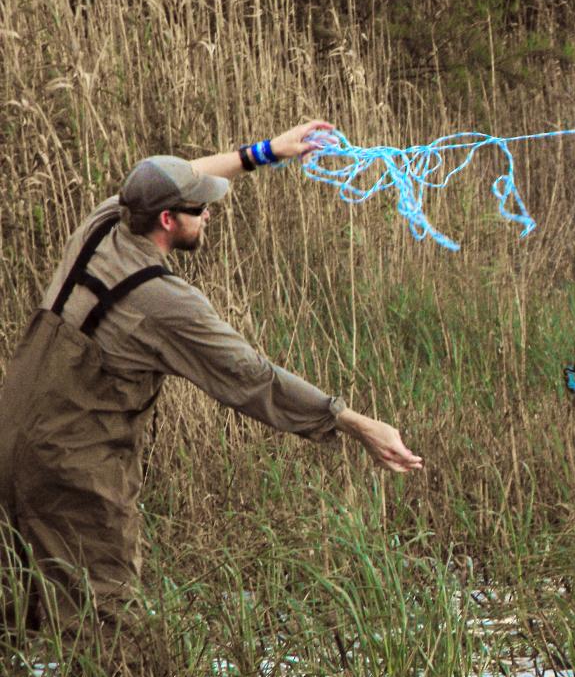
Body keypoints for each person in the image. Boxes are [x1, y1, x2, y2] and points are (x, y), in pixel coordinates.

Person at [0, 119, 423, 629]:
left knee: (16, 615)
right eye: (200, 209)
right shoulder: (164, 303)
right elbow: (253, 378)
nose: (209, 214)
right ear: (167, 220)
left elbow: (174, 177)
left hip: (9, 443)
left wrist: (266, 152)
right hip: (72, 471)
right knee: (105, 627)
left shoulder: (103, 222)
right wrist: (354, 422)